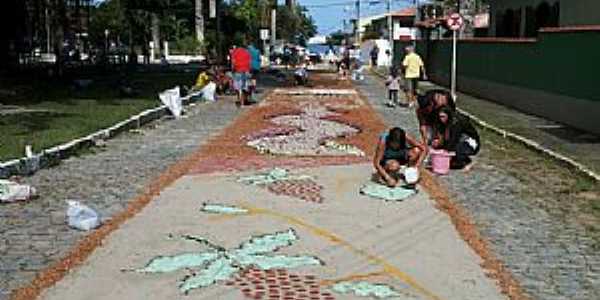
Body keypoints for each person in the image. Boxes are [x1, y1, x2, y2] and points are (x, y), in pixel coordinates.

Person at [433, 106, 480, 171]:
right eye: (440, 117)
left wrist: (445, 150)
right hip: (459, 140)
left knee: (454, 152)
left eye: (443, 117)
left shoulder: (456, 123)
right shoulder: (445, 123)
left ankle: (468, 161)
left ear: (448, 115)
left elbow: (453, 140)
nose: (441, 119)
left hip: (470, 142)